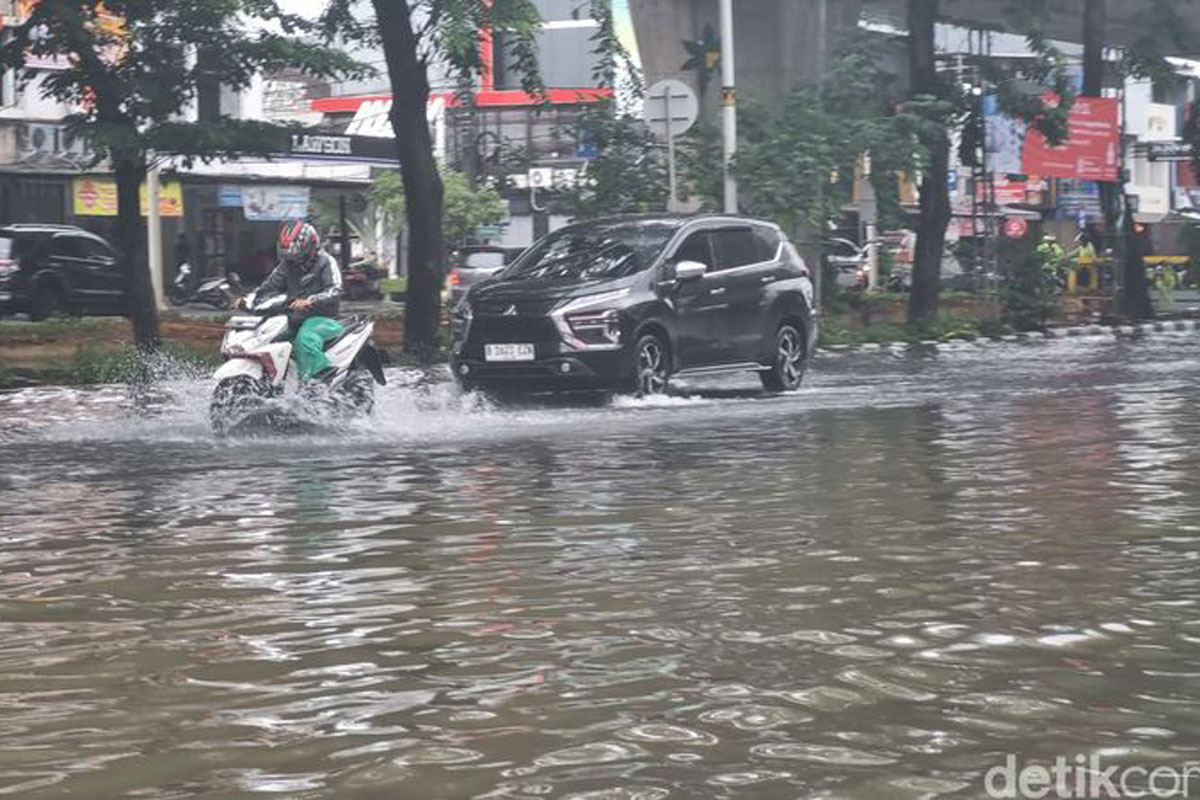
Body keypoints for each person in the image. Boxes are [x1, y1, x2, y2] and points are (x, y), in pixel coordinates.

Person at [249, 220, 344, 381]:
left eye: (298, 256)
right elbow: (268, 286)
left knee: (305, 339)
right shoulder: (287, 265)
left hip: (323, 319)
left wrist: (311, 301)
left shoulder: (326, 262)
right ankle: (268, 383)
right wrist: (249, 300)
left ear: (310, 247)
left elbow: (335, 289)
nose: (294, 261)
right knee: (266, 338)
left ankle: (316, 383)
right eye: (290, 257)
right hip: (293, 319)